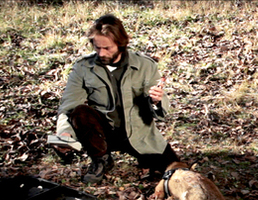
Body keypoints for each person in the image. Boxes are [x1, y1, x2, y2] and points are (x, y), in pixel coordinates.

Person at [54, 14, 180, 183]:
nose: (101, 53)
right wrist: (63, 134)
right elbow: (68, 106)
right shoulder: (82, 68)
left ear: (121, 44)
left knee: (176, 170)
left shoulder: (145, 65)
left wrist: (156, 101)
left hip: (139, 133)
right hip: (103, 132)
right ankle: (101, 159)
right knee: (80, 112)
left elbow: (161, 112)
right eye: (97, 48)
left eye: (107, 48)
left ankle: (146, 159)